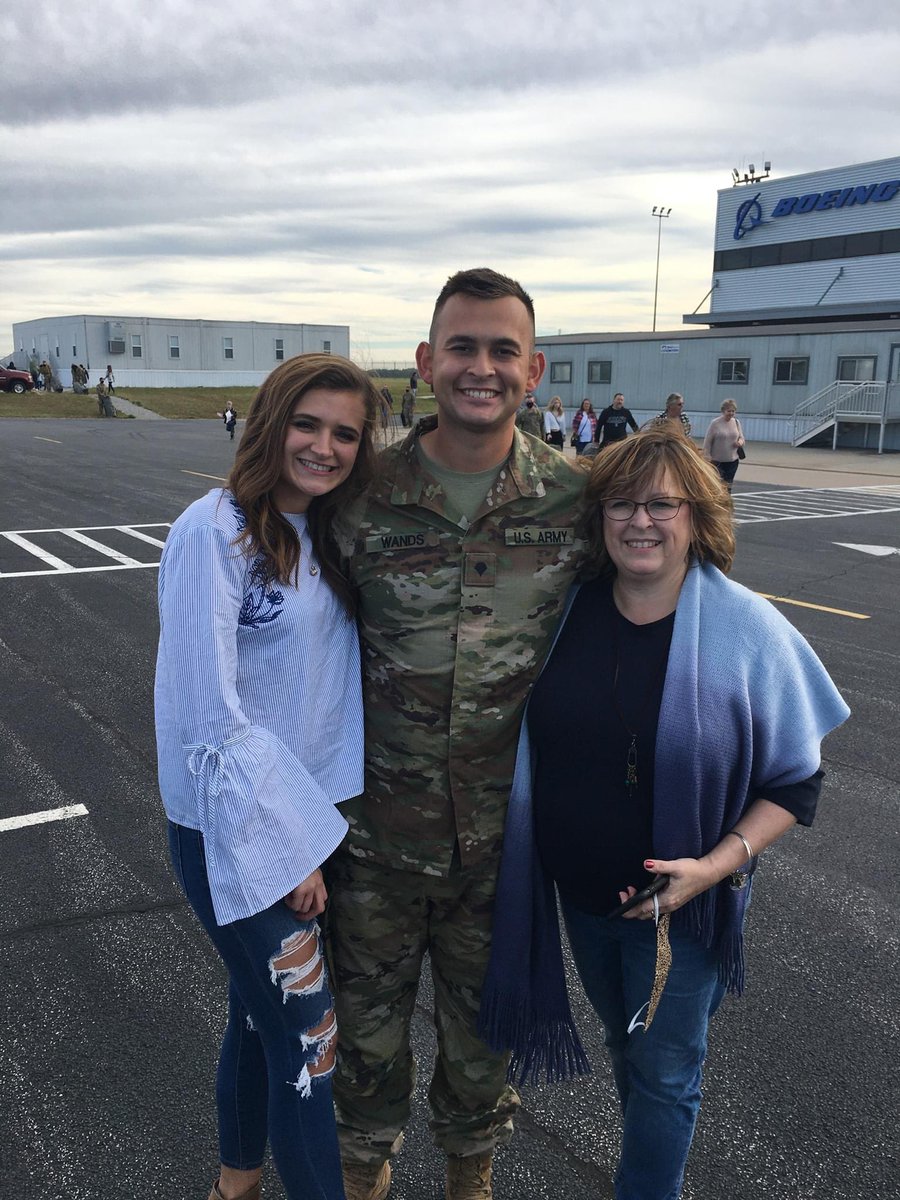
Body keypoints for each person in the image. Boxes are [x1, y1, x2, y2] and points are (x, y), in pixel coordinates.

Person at [480, 426, 850, 1200]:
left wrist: (713, 868)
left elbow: (796, 783)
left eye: (661, 504)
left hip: (683, 911)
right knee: (630, 1049)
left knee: (667, 1071)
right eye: (621, 504)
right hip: (584, 900)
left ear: (697, 517)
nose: (639, 521)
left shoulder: (743, 627)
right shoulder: (564, 613)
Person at [329, 268, 587, 1200]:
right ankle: (363, 1179)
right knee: (362, 1044)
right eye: (462, 347)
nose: (482, 367)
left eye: (503, 350)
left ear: (535, 370)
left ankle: (468, 1180)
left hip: (502, 850)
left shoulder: (577, 502)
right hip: (372, 841)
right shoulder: (359, 497)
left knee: (484, 1048)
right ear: (426, 361)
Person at [155, 353, 379, 1200]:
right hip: (239, 829)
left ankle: (234, 1187)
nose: (324, 446)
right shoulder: (214, 532)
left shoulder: (326, 530)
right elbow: (208, 716)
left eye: (345, 434)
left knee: (258, 1024)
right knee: (310, 1041)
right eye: (306, 424)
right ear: (270, 422)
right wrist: (287, 851)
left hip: (308, 819)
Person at [703, 399, 745, 491]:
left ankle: (727, 500)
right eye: (729, 411)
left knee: (728, 486)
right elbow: (708, 441)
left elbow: (742, 437)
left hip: (732, 461)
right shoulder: (715, 423)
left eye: (733, 411)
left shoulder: (736, 422)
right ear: (723, 411)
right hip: (717, 461)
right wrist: (707, 457)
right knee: (718, 486)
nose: (731, 413)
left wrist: (740, 442)